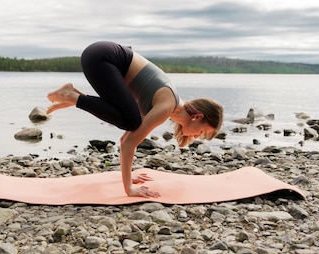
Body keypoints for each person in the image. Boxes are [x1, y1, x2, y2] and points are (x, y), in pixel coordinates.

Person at [47, 41, 224, 198]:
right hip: (102, 58)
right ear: (197, 116)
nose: (198, 136)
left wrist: (129, 176)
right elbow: (129, 143)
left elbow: (125, 139)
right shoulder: (167, 106)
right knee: (131, 121)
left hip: (100, 56)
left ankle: (72, 94)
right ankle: (71, 96)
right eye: (203, 131)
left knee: (130, 120)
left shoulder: (167, 104)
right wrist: (129, 188)